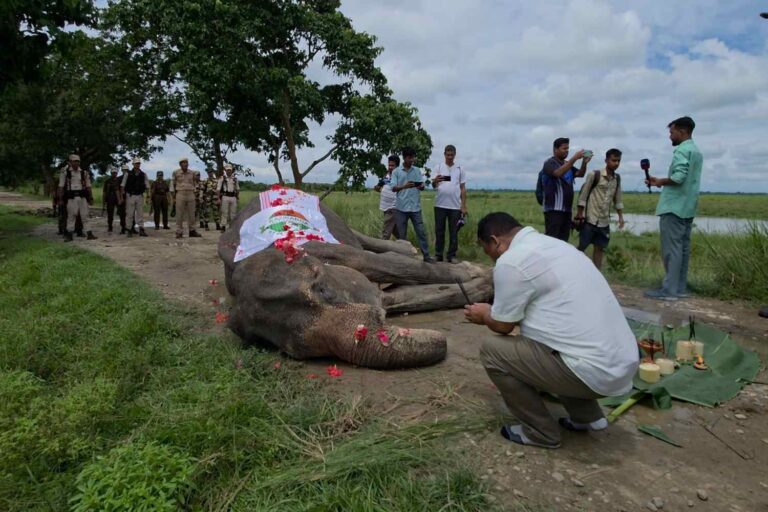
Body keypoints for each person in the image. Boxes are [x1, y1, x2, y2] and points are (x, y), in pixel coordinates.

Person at [464, 212, 638, 448]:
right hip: (620, 364)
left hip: (593, 372)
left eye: (487, 251)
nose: (491, 258)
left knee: (493, 350)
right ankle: (588, 417)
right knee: (553, 342)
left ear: (495, 241)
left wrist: (485, 314)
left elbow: (503, 326)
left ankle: (540, 433)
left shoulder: (511, 260)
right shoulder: (558, 247)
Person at [644, 116, 703, 301]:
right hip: (688, 206)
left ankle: (669, 290)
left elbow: (678, 177)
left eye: (672, 132)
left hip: (674, 207)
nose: (670, 136)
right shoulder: (696, 151)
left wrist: (660, 181)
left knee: (672, 250)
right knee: (683, 249)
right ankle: (680, 288)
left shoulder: (681, 150)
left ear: (681, 131)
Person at [574, 148, 626, 270]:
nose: (616, 163)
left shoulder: (617, 178)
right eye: (613, 160)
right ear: (606, 160)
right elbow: (583, 195)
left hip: (604, 220)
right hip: (590, 218)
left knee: (600, 248)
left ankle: (597, 274)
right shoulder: (594, 175)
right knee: (582, 247)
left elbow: (617, 198)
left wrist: (620, 217)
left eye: (618, 161)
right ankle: (574, 270)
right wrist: (579, 214)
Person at [540, 138, 591, 241]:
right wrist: (574, 158)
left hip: (567, 210)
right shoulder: (549, 163)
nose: (567, 151)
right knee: (552, 240)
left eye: (568, 148)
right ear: (555, 149)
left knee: (563, 241)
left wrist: (584, 163)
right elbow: (557, 173)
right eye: (564, 148)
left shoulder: (567, 164)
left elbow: (580, 174)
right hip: (553, 210)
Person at [392, 147, 434, 262]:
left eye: (413, 157)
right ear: (404, 158)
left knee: (421, 233)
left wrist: (421, 186)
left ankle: (426, 256)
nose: (412, 160)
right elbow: (393, 188)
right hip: (401, 208)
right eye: (410, 158)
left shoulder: (417, 170)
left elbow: (421, 185)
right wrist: (404, 186)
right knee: (402, 236)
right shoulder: (396, 172)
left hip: (415, 207)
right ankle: (404, 258)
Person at [432, 144, 467, 263]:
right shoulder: (438, 167)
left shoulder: (460, 169)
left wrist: (463, 206)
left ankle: (451, 255)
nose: (450, 157)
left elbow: (463, 188)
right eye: (448, 154)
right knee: (439, 231)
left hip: (455, 206)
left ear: (455, 155)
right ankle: (438, 255)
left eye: (452, 155)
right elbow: (433, 185)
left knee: (454, 232)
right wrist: (435, 181)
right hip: (440, 205)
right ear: (444, 154)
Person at [57, 154, 97, 242]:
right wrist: (60, 199)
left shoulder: (84, 173)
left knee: (85, 215)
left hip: (82, 197)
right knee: (71, 216)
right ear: (70, 162)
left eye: (78, 161)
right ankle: (69, 234)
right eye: (74, 161)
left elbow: (88, 186)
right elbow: (61, 187)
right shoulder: (65, 173)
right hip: (71, 197)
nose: (76, 163)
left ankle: (89, 233)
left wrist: (90, 197)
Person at [171, 157, 202, 239]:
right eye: (183, 163)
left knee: (192, 213)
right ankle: (179, 231)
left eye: (186, 163)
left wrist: (196, 191)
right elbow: (172, 184)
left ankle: (192, 231)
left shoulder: (192, 173)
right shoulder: (176, 173)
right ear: (180, 164)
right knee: (179, 214)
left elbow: (197, 182)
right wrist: (173, 196)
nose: (185, 164)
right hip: (180, 193)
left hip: (190, 193)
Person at [373, 154, 401, 240]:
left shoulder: (400, 176)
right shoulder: (387, 175)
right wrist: (377, 188)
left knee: (386, 230)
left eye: (393, 165)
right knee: (395, 230)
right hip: (385, 206)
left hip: (393, 207)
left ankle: (381, 246)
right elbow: (379, 186)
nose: (390, 167)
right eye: (389, 165)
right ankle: (406, 243)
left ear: (397, 166)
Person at [121, 157, 149, 237]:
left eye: (139, 163)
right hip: (130, 195)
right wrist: (123, 196)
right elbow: (122, 185)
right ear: (133, 164)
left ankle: (141, 229)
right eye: (136, 163)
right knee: (129, 214)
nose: (138, 165)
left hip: (140, 195)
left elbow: (147, 186)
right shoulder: (128, 174)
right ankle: (129, 230)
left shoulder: (143, 174)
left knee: (140, 214)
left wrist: (148, 196)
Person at [217, 163, 239, 232]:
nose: (229, 171)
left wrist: (237, 197)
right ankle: (223, 226)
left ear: (232, 170)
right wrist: (218, 198)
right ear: (225, 171)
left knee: (233, 212)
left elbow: (237, 189)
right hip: (225, 196)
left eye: (230, 170)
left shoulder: (235, 179)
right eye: (227, 170)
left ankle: (232, 226)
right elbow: (218, 189)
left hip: (233, 196)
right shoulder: (222, 178)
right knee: (224, 212)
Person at [102, 166, 123, 233]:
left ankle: (123, 227)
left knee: (121, 212)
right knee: (110, 213)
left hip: (118, 197)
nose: (114, 174)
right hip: (110, 198)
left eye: (115, 173)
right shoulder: (107, 181)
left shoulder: (119, 180)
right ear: (111, 173)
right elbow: (104, 192)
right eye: (113, 173)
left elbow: (121, 190)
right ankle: (110, 227)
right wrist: (104, 201)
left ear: (117, 173)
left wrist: (121, 198)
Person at [117, 164, 129, 233]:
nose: (125, 171)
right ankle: (123, 227)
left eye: (126, 170)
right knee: (122, 213)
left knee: (131, 213)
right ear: (122, 170)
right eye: (124, 170)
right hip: (122, 196)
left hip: (129, 196)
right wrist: (120, 198)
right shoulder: (119, 179)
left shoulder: (130, 178)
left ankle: (131, 227)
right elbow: (117, 189)